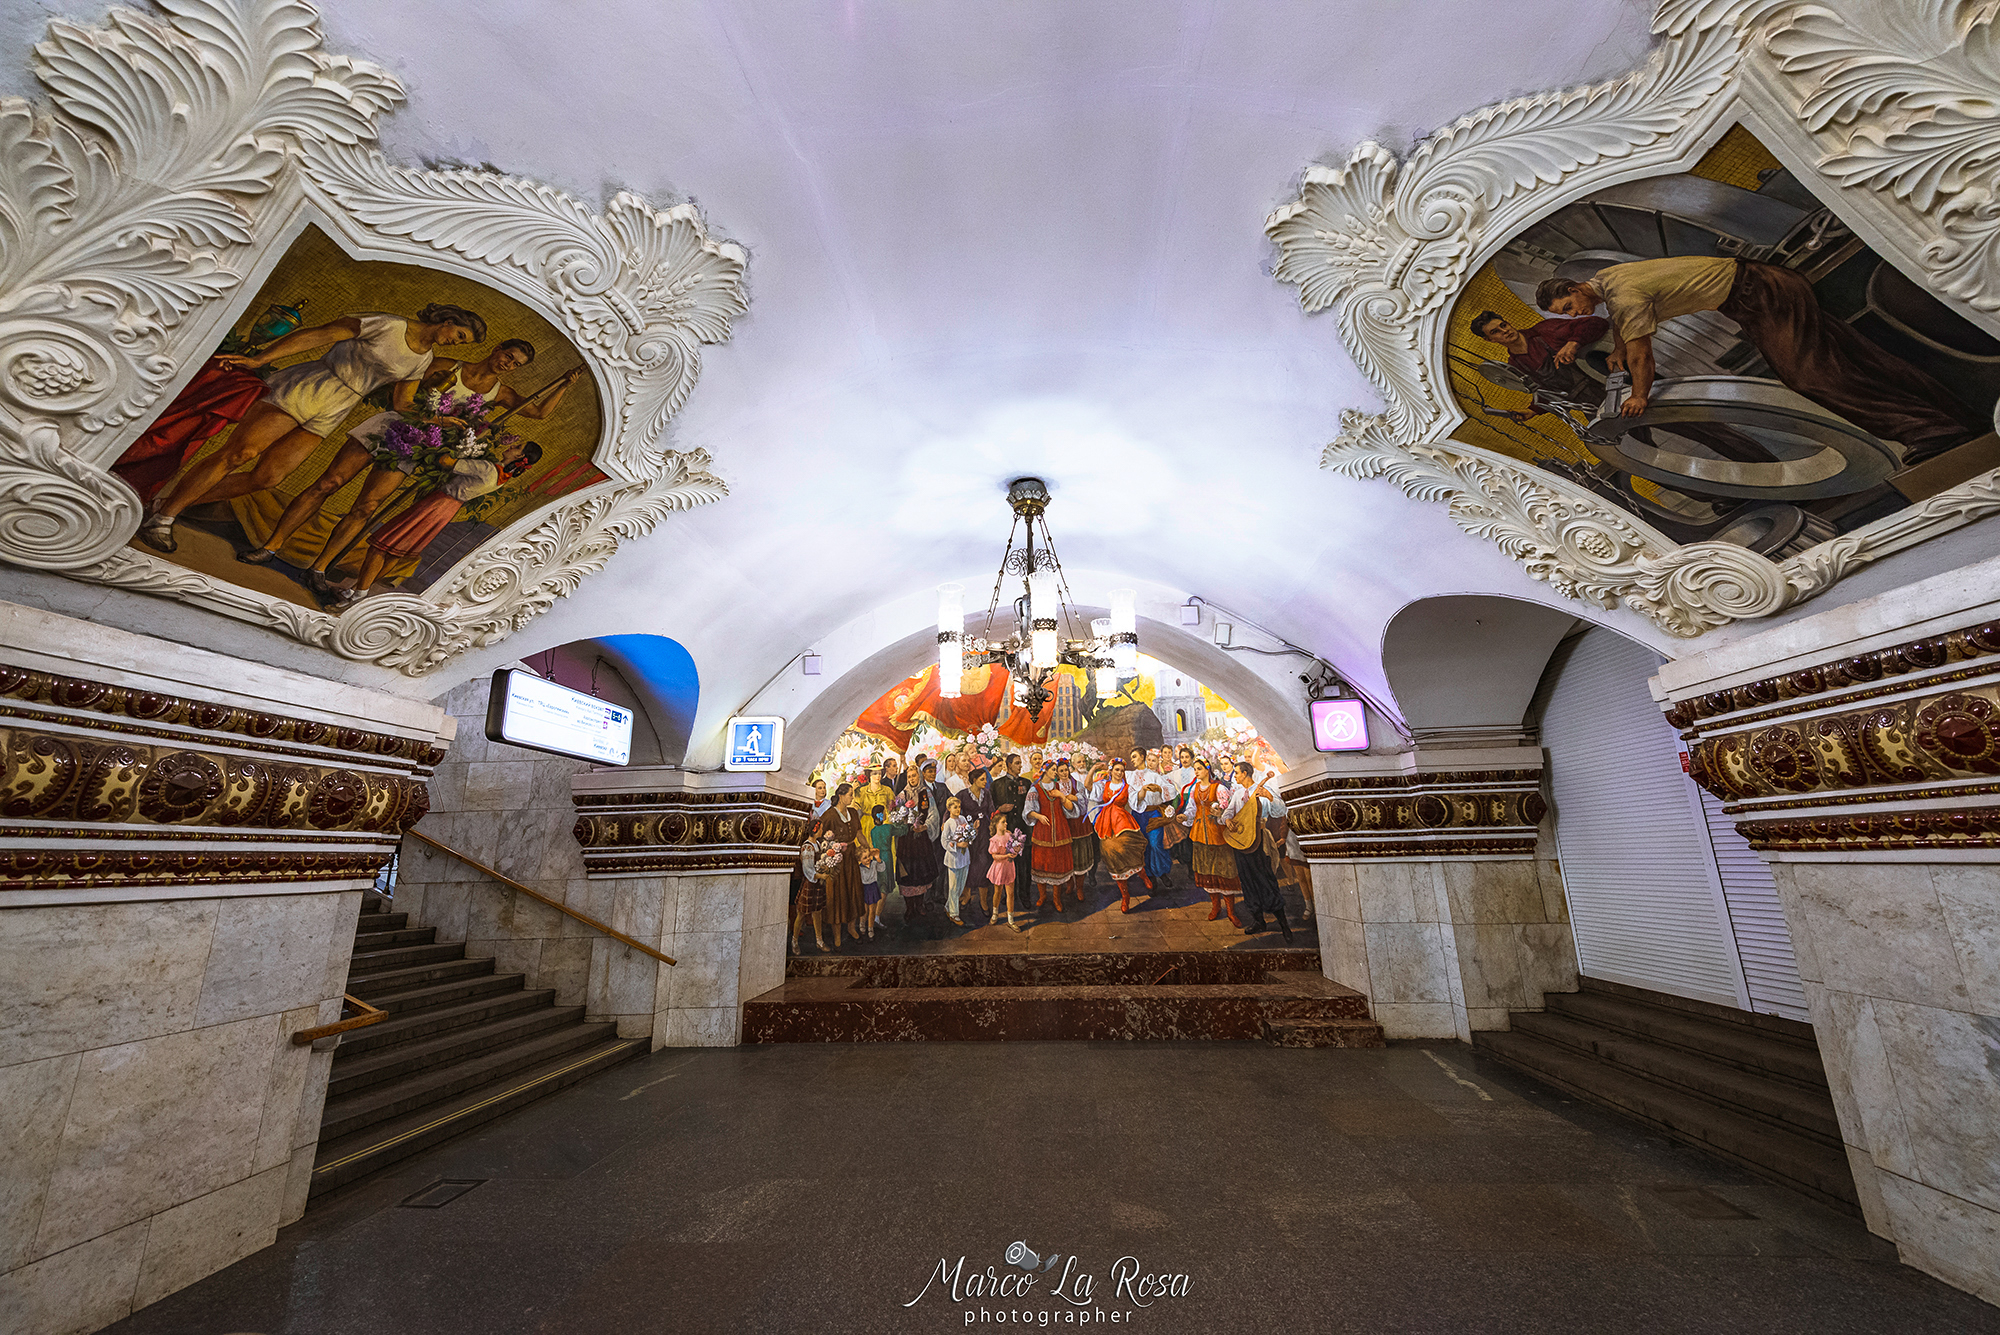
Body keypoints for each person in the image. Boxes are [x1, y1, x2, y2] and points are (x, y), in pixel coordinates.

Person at [1537, 262, 1985, 466]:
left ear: (1576, 286)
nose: (1574, 314)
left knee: (1810, 376)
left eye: (1570, 304)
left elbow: (1641, 352)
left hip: (1762, 294)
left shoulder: (1623, 294)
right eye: (1566, 313)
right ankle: (1953, 417)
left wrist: (1639, 394)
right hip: (1757, 293)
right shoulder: (1609, 279)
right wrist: (1616, 344)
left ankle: (1930, 431)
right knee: (1859, 358)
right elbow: (1623, 325)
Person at [137, 304, 488, 552]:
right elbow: (318, 335)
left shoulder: (423, 360)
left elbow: (402, 404)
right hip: (312, 383)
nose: (457, 343)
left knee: (268, 478)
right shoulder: (388, 324)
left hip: (337, 406)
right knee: (239, 454)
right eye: (459, 334)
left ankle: (168, 504)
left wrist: (443, 420)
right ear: (446, 319)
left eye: (463, 343)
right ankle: (165, 517)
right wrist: (262, 359)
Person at [240, 342, 581, 573]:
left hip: (418, 446)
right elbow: (406, 387)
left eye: (516, 364)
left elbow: (537, 413)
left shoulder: (501, 392)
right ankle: (271, 547)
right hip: (392, 427)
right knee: (328, 483)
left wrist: (565, 384)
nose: (508, 364)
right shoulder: (448, 365)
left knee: (366, 507)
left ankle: (320, 567)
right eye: (509, 356)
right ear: (498, 349)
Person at [323, 437, 542, 605]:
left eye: (517, 447)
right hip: (447, 511)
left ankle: (358, 594)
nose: (512, 446)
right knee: (398, 551)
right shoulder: (501, 477)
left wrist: (452, 445)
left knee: (383, 545)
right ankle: (357, 590)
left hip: (436, 504)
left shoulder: (486, 468)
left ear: (517, 457)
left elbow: (446, 461)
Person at [1224, 762, 1293, 941]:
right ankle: (1258, 920)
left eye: (1237, 773)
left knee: (1266, 880)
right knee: (1247, 881)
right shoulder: (1238, 794)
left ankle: (1284, 924)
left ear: (1246, 773)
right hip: (1241, 842)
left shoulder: (1262, 790)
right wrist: (1227, 821)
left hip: (1260, 841)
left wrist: (1270, 797)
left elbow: (1280, 810)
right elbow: (1228, 813)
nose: (1235, 777)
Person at [1088, 757, 1151, 914]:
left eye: (1122, 770)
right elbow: (1088, 786)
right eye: (1117, 770)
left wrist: (1144, 790)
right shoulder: (1104, 785)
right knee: (1111, 854)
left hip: (1122, 821)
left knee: (1129, 849)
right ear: (1111, 771)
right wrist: (1094, 768)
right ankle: (1125, 895)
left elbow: (1136, 799)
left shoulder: (1127, 787)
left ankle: (1142, 874)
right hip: (1106, 822)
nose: (1120, 772)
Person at [1184, 761, 1243, 926]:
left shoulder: (1219, 788)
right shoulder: (1194, 789)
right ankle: (1215, 907)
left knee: (1224, 871)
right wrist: (1184, 817)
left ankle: (1231, 911)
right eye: (1195, 769)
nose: (1196, 772)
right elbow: (1191, 809)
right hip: (1199, 836)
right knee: (1207, 872)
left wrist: (1220, 812)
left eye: (1200, 769)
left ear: (1207, 770)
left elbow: (1229, 809)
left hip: (1218, 835)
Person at [1024, 759, 1080, 913]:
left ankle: (1056, 898)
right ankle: (1042, 896)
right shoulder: (1035, 789)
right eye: (1053, 769)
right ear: (1045, 771)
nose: (1056, 772)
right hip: (1043, 832)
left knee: (1058, 866)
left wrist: (1062, 796)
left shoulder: (1059, 786)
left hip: (1061, 831)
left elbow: (1071, 808)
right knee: (1041, 864)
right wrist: (1039, 816)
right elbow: (1028, 811)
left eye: (1057, 769)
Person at [817, 783, 865, 947]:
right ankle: (837, 936)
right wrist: (830, 852)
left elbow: (859, 833)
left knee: (853, 891)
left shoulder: (852, 812)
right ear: (841, 795)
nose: (852, 797)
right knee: (837, 896)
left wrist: (867, 847)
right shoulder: (829, 815)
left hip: (851, 857)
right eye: (850, 794)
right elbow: (820, 838)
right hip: (836, 860)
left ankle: (851, 928)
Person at [893, 782, 942, 928]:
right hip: (906, 840)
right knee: (907, 873)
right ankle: (909, 908)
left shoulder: (926, 793)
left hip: (921, 840)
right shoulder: (902, 795)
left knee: (921, 872)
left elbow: (933, 813)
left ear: (919, 777)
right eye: (909, 776)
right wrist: (901, 820)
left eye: (915, 775)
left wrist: (925, 826)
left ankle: (919, 905)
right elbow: (894, 813)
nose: (912, 778)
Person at [790, 827, 832, 953]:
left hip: (817, 884)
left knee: (817, 912)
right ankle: (794, 941)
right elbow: (807, 869)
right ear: (815, 830)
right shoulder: (807, 847)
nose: (822, 831)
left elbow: (818, 862)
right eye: (820, 829)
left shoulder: (817, 844)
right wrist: (819, 875)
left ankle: (819, 941)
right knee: (802, 913)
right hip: (810, 882)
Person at [963, 765, 997, 918]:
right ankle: (967, 896)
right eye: (982, 779)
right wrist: (967, 825)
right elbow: (952, 812)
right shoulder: (962, 795)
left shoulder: (987, 794)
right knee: (969, 863)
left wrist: (994, 824)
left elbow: (991, 811)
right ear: (974, 780)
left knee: (983, 863)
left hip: (984, 832)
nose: (985, 782)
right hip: (969, 834)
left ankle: (983, 901)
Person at [853, 765, 895, 884]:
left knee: (882, 852)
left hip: (882, 823)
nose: (877, 776)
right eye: (874, 774)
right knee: (866, 852)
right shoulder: (861, 791)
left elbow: (892, 808)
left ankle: (883, 881)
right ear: (869, 776)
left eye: (879, 773)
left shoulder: (887, 790)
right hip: (866, 823)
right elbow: (854, 808)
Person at [940, 793, 977, 925]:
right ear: (949, 808)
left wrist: (972, 833)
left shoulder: (962, 819)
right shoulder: (948, 823)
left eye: (959, 807)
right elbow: (944, 841)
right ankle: (954, 914)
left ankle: (948, 907)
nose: (958, 809)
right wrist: (957, 845)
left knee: (961, 886)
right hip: (954, 858)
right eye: (955, 807)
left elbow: (968, 833)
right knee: (954, 887)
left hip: (964, 857)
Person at [987, 811, 1025, 933]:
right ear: (996, 824)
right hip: (999, 868)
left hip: (1009, 867)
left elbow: (1015, 847)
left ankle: (1010, 919)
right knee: (997, 892)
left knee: (1011, 893)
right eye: (1003, 822)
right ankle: (995, 914)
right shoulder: (994, 839)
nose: (1006, 824)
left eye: (1005, 822)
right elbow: (994, 856)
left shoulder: (1009, 835)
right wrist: (1006, 855)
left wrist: (1017, 850)